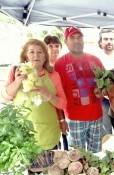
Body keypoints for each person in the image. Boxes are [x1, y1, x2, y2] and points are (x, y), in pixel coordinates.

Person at [0, 39, 67, 167]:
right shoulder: (15, 71)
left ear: (45, 57)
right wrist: (17, 82)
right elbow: (3, 98)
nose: (36, 55)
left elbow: (63, 104)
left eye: (40, 52)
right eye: (32, 52)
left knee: (51, 173)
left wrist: (47, 94)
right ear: (25, 55)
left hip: (48, 133)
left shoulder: (53, 75)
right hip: (22, 136)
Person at [54, 26, 105, 153]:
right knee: (77, 158)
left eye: (79, 37)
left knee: (97, 156)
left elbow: (105, 83)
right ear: (66, 41)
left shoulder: (95, 60)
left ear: (83, 40)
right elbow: (57, 94)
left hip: (96, 116)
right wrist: (61, 120)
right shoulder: (60, 64)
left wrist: (102, 90)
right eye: (72, 38)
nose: (77, 40)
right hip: (74, 119)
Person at [44, 35, 69, 150]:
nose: (54, 48)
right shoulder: (43, 67)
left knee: (66, 137)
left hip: (65, 105)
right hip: (50, 107)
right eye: (50, 46)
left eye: (57, 46)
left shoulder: (64, 64)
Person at [98, 29, 114, 137]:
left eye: (111, 39)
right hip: (103, 101)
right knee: (106, 132)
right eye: (106, 39)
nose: (109, 41)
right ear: (100, 42)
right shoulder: (96, 59)